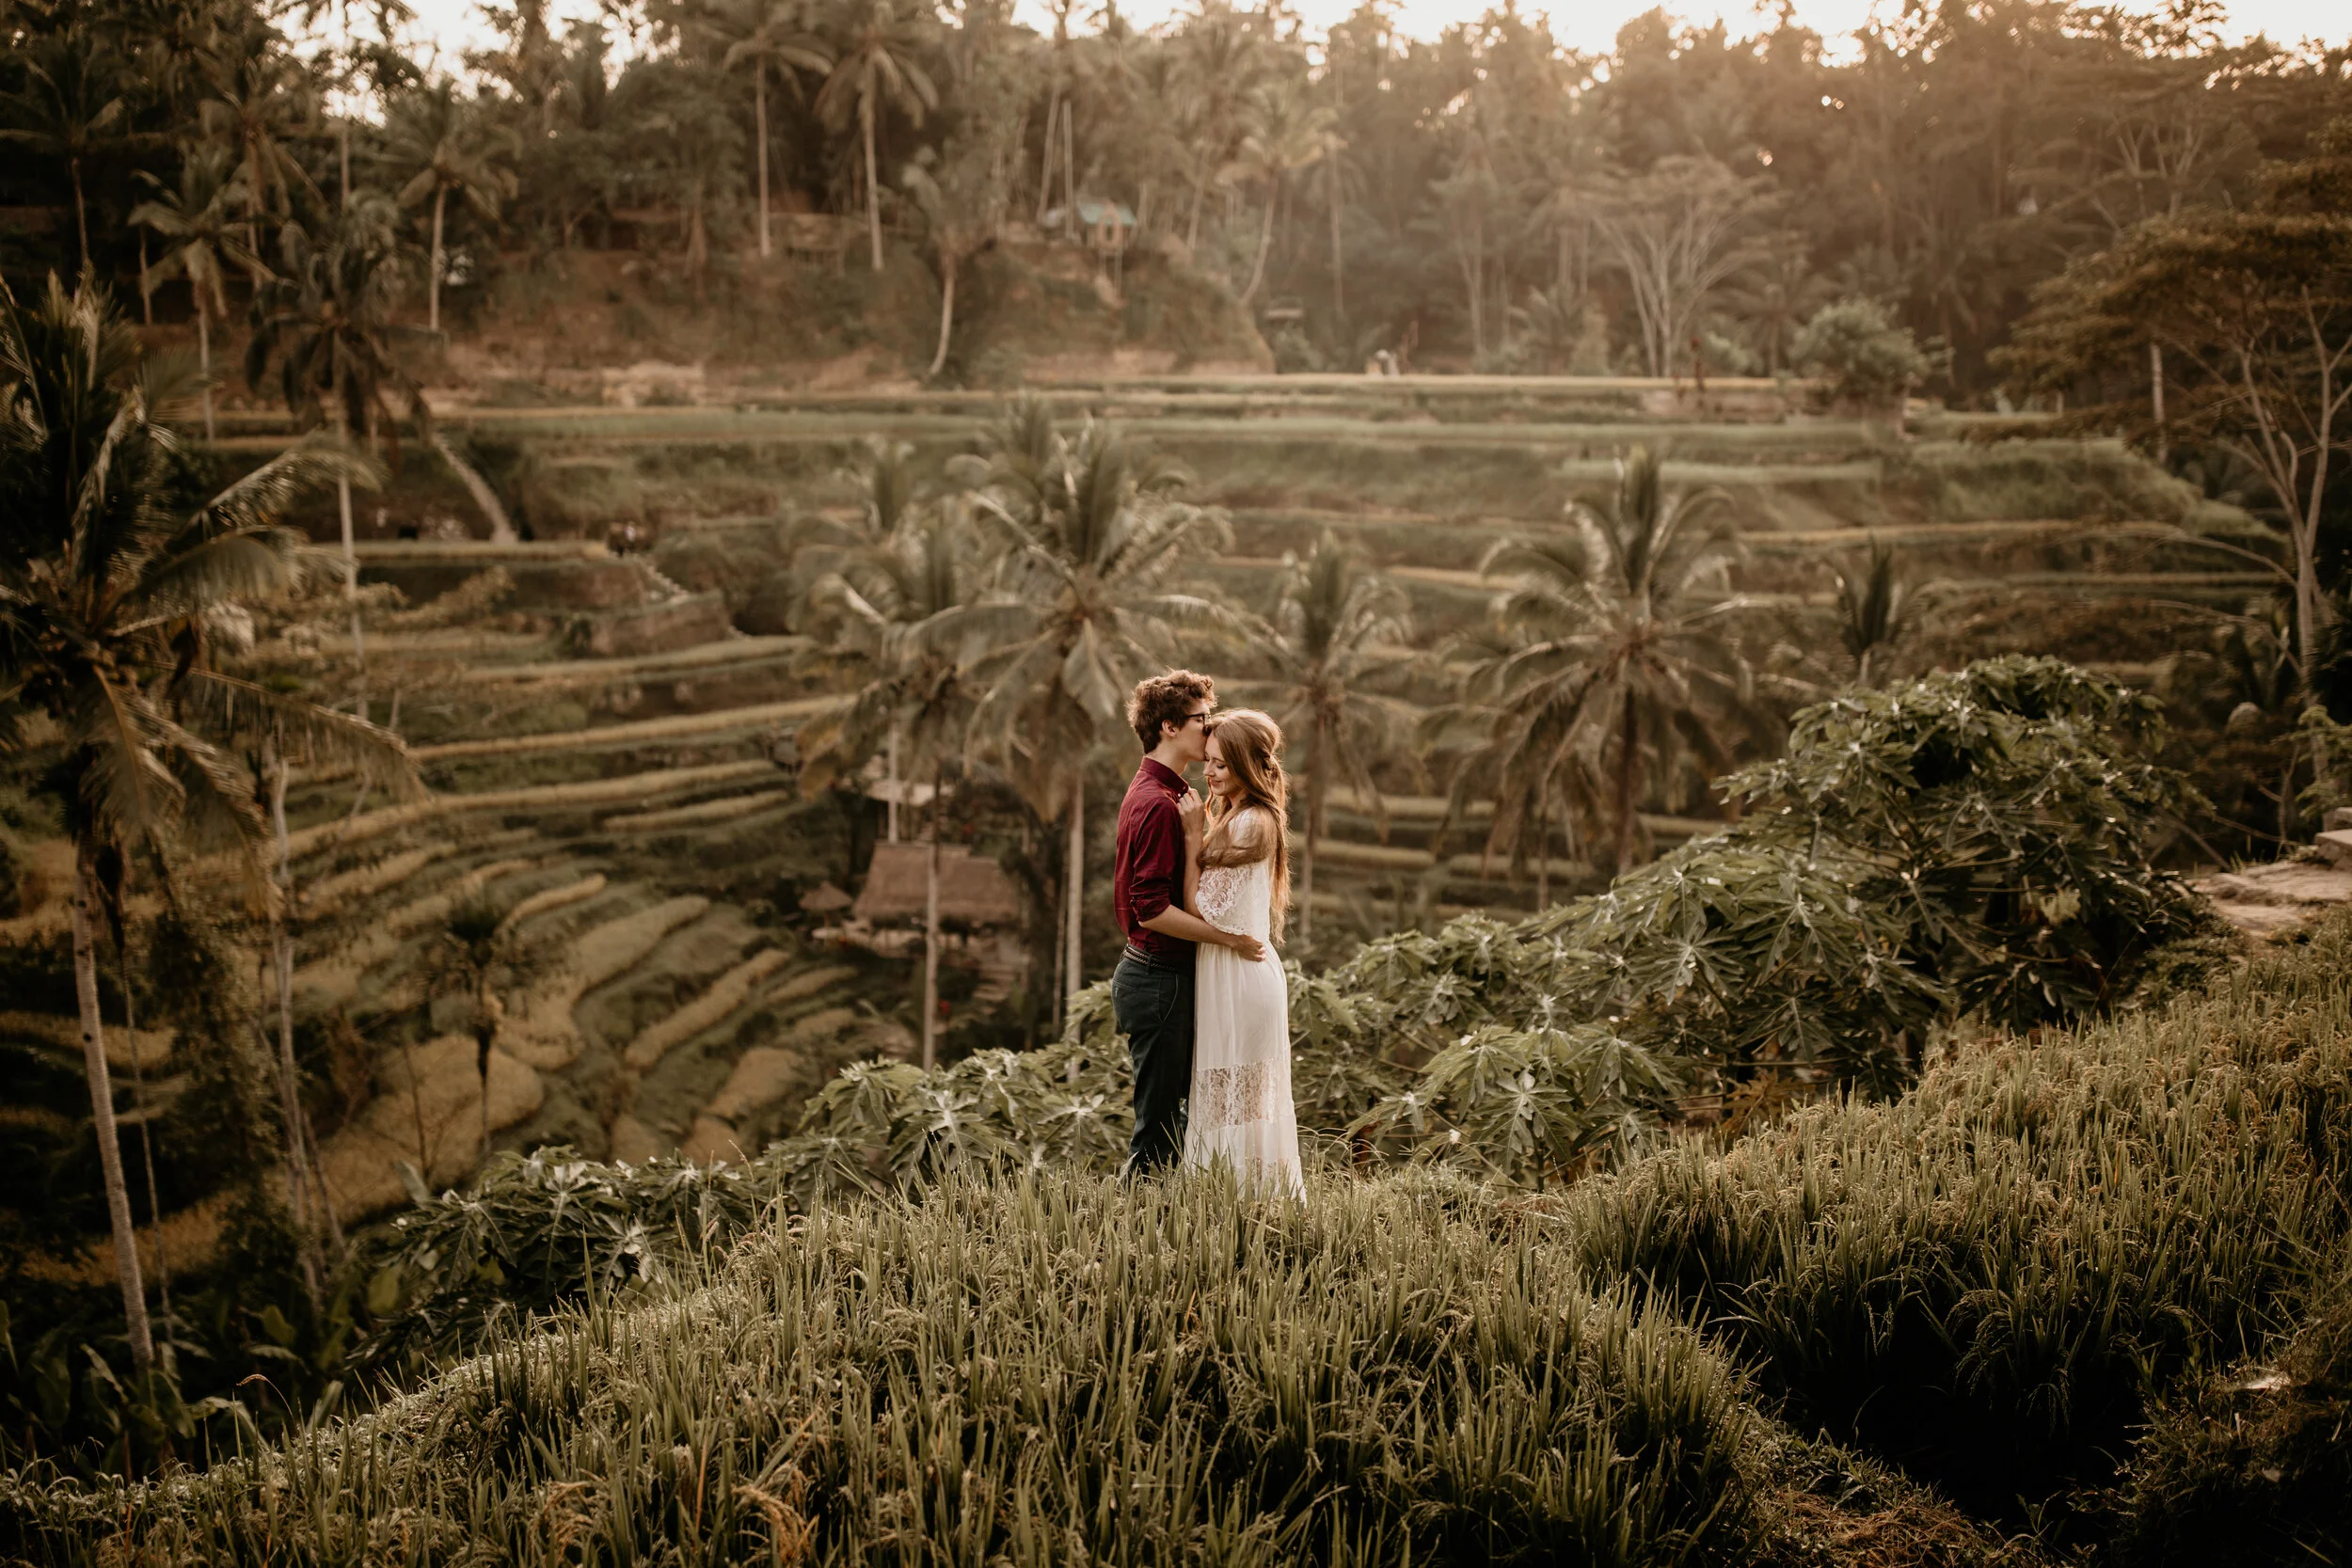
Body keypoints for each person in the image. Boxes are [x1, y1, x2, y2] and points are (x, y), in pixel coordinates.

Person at [1109, 671, 1263, 1178]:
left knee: (1177, 1123)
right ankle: (1137, 1218)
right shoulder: (1158, 804)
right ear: (1171, 727)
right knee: (1158, 1132)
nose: (1209, 727)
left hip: (1162, 977)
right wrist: (1228, 939)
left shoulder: (1168, 793)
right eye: (1202, 719)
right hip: (1159, 979)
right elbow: (1151, 909)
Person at [1179, 709, 1303, 1196]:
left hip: (1240, 976)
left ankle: (1245, 1212)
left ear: (1248, 767)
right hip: (1231, 970)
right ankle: (1232, 1210)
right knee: (1231, 1109)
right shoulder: (1238, 815)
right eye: (1207, 761)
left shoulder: (1251, 822)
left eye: (1221, 765)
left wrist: (1193, 836)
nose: (1208, 773)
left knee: (1237, 1111)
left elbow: (1200, 909)